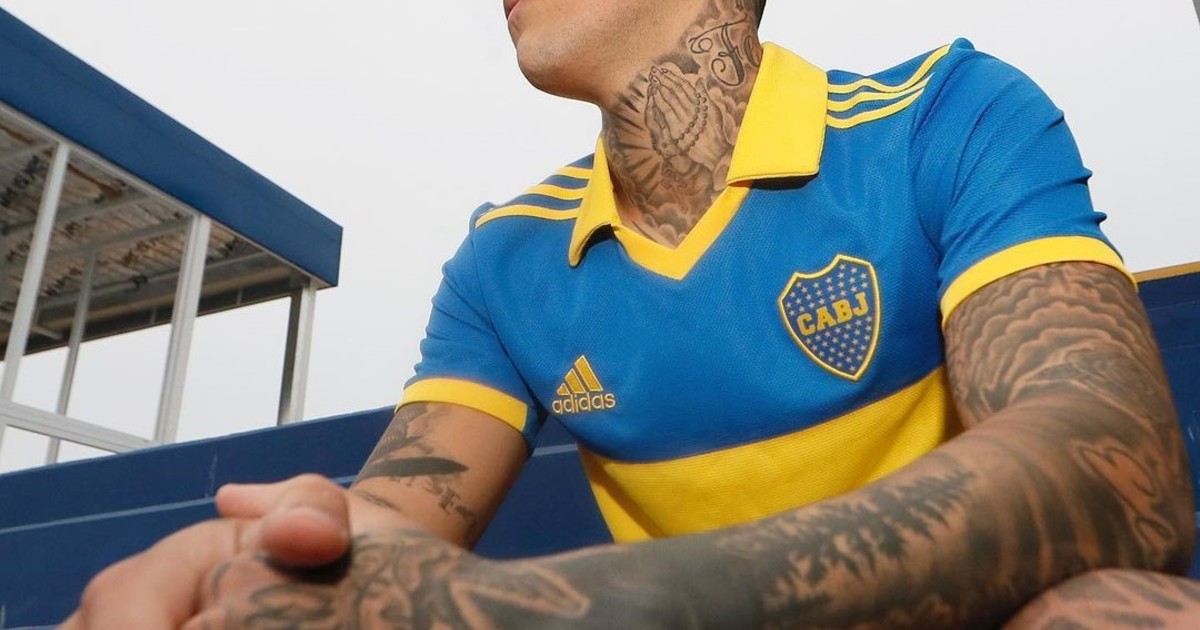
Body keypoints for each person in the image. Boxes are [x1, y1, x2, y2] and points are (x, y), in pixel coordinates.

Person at [64, 0, 1197, 627]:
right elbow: (390, 532)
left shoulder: (947, 114)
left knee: (1116, 614)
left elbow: (1113, 469)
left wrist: (579, 612)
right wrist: (251, 563)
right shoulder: (504, 257)